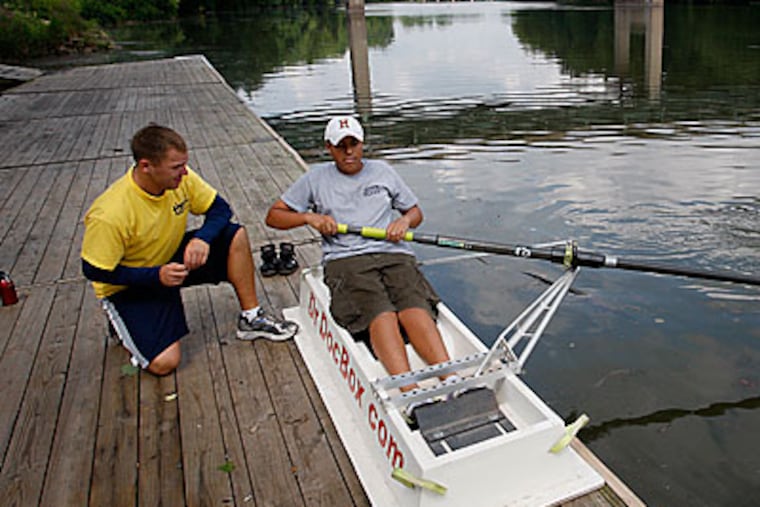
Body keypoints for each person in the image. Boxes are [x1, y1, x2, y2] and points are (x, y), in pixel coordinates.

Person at [81, 124, 297, 376]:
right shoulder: (110, 213)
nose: (184, 172)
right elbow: (94, 271)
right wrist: (156, 276)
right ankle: (121, 322)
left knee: (235, 235)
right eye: (176, 167)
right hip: (131, 283)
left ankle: (251, 317)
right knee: (165, 363)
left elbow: (220, 210)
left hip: (169, 258)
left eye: (184, 164)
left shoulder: (181, 178)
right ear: (146, 166)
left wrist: (203, 239)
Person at [265, 116, 453, 394]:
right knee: (382, 313)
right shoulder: (315, 178)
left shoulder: (383, 172)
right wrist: (309, 217)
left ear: (362, 144)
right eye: (341, 146)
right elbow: (274, 217)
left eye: (354, 144)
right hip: (347, 259)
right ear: (329, 147)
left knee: (414, 305)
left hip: (393, 253)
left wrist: (404, 222)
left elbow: (415, 212)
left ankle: (449, 378)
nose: (349, 152)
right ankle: (409, 390)